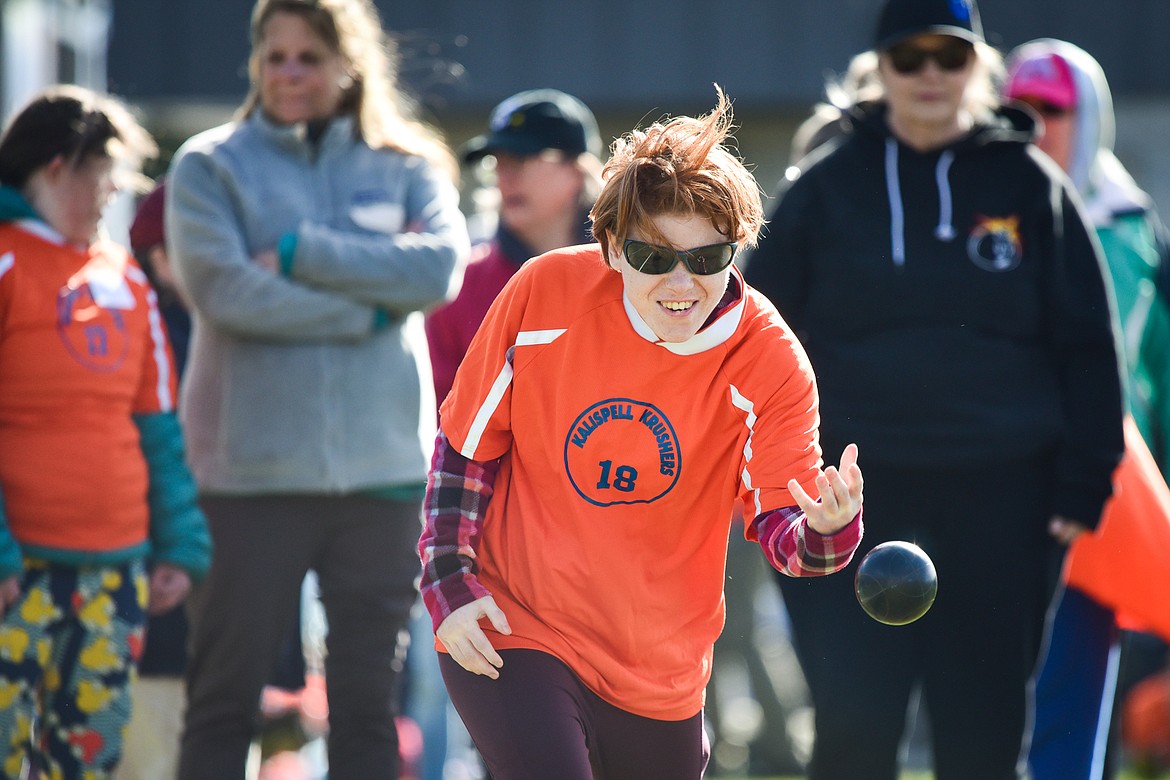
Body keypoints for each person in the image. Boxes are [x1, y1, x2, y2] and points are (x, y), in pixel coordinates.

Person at [417, 88, 865, 780]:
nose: (681, 282)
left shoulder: (771, 361)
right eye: (654, 258)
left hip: (661, 669)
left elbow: (787, 536)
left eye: (707, 259)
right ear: (610, 248)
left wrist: (829, 529)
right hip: (518, 624)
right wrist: (448, 578)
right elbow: (466, 446)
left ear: (736, 249)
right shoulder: (543, 294)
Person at [743, 1, 1126, 778]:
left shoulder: (1027, 182)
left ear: (978, 68)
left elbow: (1088, 343)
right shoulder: (826, 185)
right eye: (907, 57)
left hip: (1004, 497)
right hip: (848, 496)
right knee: (853, 726)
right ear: (881, 69)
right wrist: (769, 483)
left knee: (984, 731)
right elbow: (757, 336)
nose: (927, 75)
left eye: (947, 57)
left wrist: (1083, 485)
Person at [166, 0, 470, 777]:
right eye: (275, 57)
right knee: (223, 700)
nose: (290, 74)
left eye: (308, 56)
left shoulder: (409, 165)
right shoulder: (209, 166)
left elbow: (436, 268)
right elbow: (227, 293)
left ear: (349, 62)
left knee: (369, 708)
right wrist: (375, 303)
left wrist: (300, 251)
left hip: (383, 480)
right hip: (246, 481)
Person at [0, 84, 212, 778]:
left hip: (115, 574)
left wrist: (178, 541)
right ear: (60, 165)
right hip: (16, 573)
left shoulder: (124, 276)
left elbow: (156, 423)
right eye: (105, 172)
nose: (114, 191)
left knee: (89, 760)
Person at [410, 87, 603, 780]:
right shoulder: (460, 288)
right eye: (498, 161)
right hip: (498, 561)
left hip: (618, 547)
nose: (507, 175)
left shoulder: (635, 277)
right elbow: (440, 426)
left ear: (581, 168)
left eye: (527, 158)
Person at [1003, 39, 1170, 780]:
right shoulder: (989, 213)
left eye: (1051, 108)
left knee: (1072, 706)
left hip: (1093, 490)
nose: (1034, 123)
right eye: (1017, 108)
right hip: (997, 486)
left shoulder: (1124, 226)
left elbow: (1138, 370)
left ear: (1089, 116)